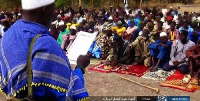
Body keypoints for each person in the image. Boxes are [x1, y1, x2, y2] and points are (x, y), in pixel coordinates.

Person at [0, 0, 89, 101]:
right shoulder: (46, 44)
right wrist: (80, 67)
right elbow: (68, 94)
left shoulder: (8, 36)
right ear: (45, 8)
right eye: (53, 7)